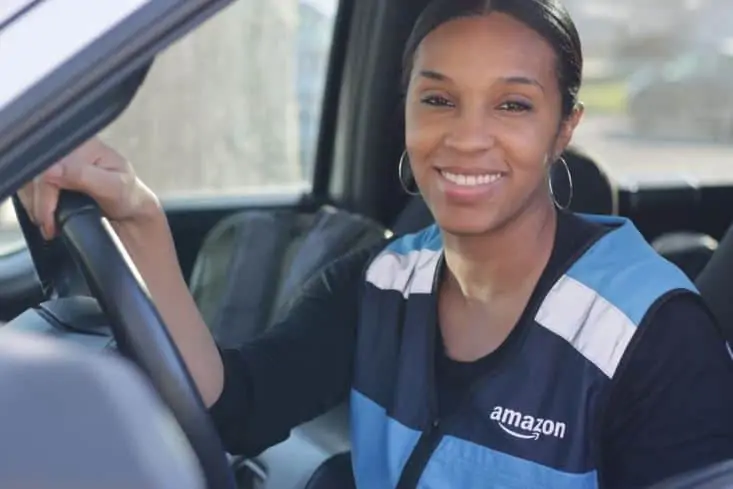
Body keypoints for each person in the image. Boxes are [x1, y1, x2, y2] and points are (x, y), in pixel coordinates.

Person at [18, 0, 733, 487]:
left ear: (563, 128)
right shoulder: (384, 279)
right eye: (437, 98)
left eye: (512, 104)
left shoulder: (649, 330)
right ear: (406, 114)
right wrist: (138, 217)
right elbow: (235, 405)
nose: (466, 135)